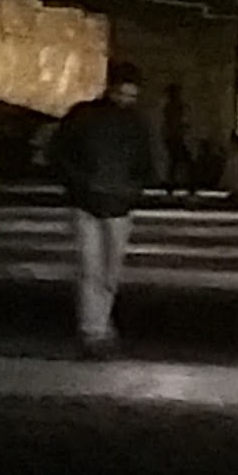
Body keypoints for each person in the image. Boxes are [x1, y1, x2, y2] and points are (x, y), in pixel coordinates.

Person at [48, 60, 160, 357]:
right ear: (110, 88)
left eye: (131, 97)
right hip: (91, 205)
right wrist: (81, 185)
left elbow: (146, 164)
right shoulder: (84, 117)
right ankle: (93, 330)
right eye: (123, 94)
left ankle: (99, 323)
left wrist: (130, 188)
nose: (126, 101)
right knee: (91, 269)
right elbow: (59, 156)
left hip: (113, 204)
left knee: (108, 272)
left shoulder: (135, 124)